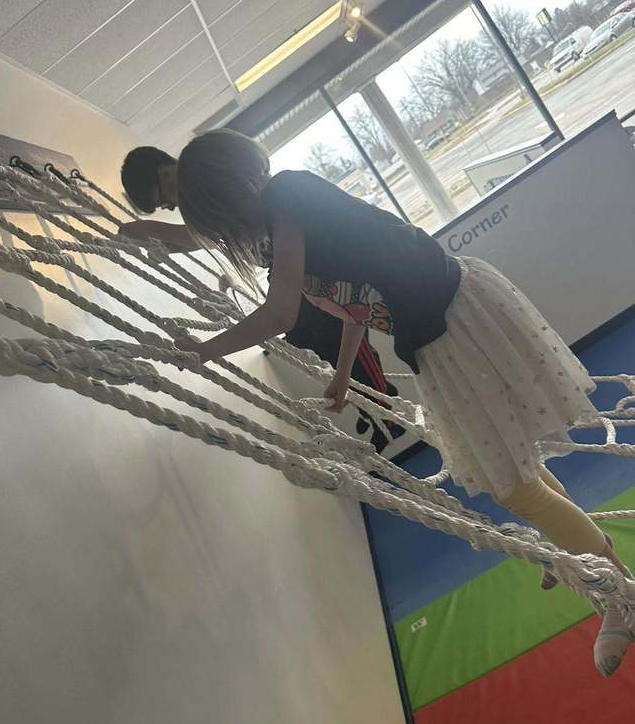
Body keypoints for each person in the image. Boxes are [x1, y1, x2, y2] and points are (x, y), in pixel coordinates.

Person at [169, 128, 632, 678]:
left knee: (510, 484)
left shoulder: (286, 194)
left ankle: (620, 594)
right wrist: (343, 373)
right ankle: (578, 552)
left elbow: (280, 313)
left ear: (226, 195)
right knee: (509, 465)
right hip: (440, 326)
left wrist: (201, 352)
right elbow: (356, 306)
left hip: (452, 320)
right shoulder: (290, 219)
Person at [119, 146, 404, 453]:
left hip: (311, 277)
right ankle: (369, 405)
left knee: (333, 335)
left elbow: (287, 312)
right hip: (297, 277)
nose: (173, 206)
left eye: (165, 199)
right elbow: (198, 238)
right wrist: (150, 240)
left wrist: (205, 351)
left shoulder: (284, 205)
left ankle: (382, 408)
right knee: (305, 339)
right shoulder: (260, 211)